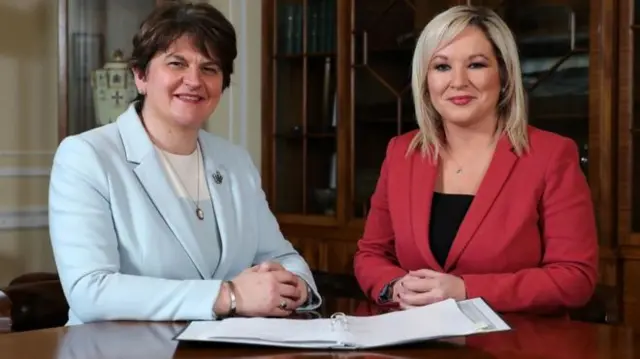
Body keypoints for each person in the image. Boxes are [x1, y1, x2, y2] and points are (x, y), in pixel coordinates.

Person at [48, 2, 321, 325]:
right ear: (140, 75)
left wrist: (295, 287)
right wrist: (230, 296)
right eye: (177, 63)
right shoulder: (87, 156)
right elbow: (90, 290)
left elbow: (283, 257)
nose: (194, 80)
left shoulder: (235, 161)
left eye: (210, 68)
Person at [353, 5, 598, 314]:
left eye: (476, 65)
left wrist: (465, 290)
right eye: (441, 67)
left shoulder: (551, 155)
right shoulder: (402, 153)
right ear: (425, 80)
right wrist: (395, 286)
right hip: (418, 341)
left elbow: (575, 278)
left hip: (515, 345)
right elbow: (371, 254)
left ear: (504, 74)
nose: (458, 82)